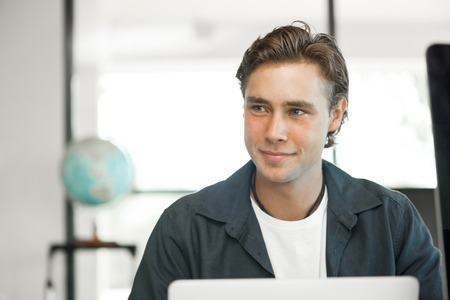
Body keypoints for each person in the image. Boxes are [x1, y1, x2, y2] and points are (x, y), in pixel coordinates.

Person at [128, 21, 442, 300]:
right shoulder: (184, 228)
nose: (274, 132)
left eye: (296, 111)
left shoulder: (392, 221)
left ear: (335, 115)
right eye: (260, 108)